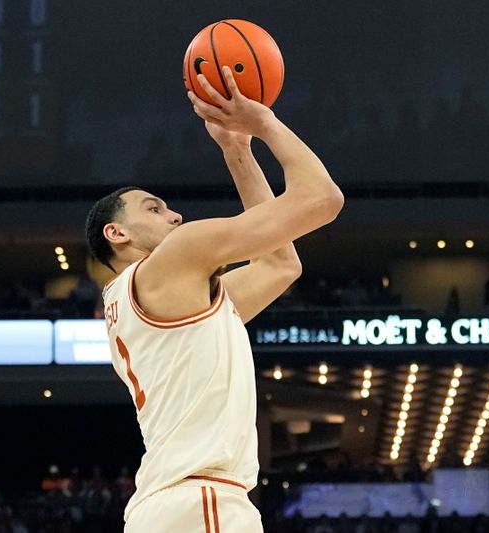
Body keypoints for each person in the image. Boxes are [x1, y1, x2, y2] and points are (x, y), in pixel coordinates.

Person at [85, 67, 343, 532]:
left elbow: (280, 265)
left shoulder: (151, 297)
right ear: (116, 232)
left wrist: (237, 150)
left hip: (169, 504)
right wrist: (262, 122)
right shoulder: (175, 260)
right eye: (153, 208)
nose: (175, 215)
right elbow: (321, 199)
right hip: (200, 500)